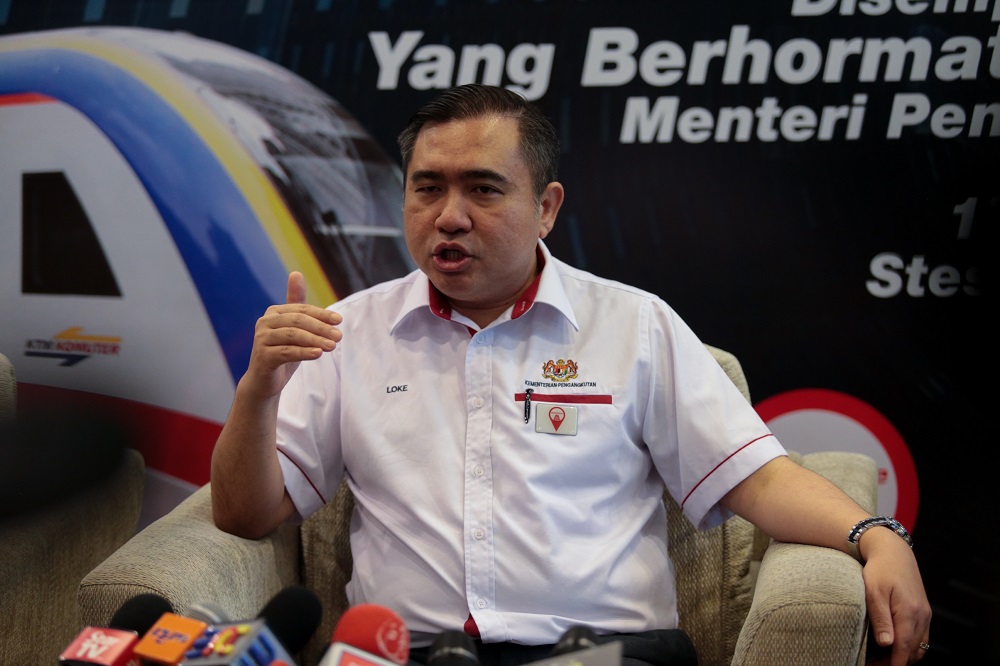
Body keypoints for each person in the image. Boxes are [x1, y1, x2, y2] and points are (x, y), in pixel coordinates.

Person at [210, 84, 931, 666]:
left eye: (484, 190)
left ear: (546, 207)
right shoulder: (347, 333)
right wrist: (259, 390)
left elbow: (760, 477)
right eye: (427, 189)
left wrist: (876, 535)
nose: (449, 217)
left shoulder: (633, 325)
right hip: (409, 655)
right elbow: (245, 514)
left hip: (606, 656)